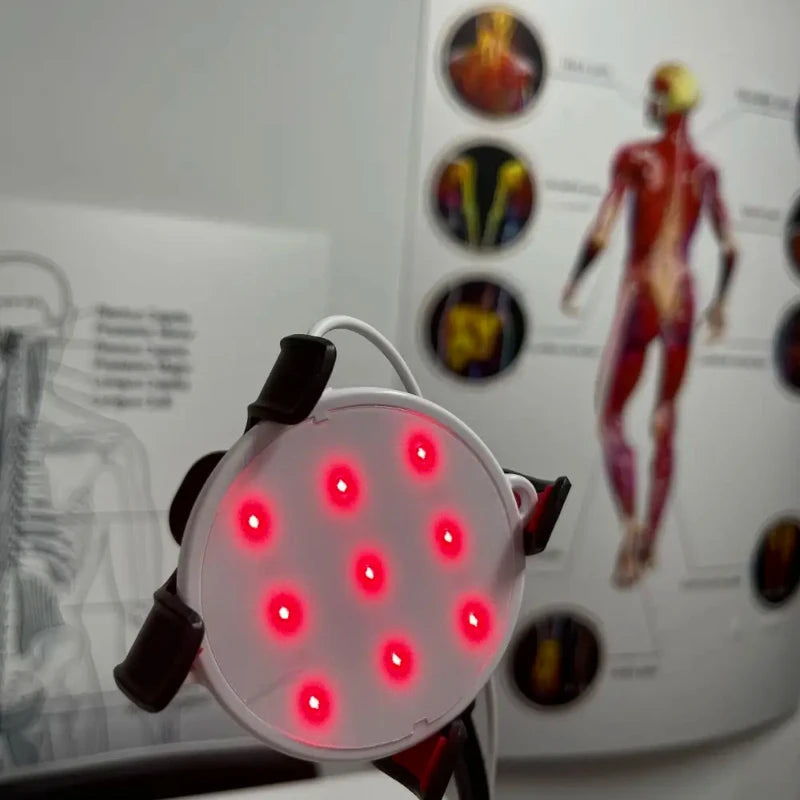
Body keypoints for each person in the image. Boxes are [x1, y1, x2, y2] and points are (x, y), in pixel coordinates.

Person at [560, 63, 738, 588]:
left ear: (664, 104)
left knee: (611, 416)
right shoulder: (704, 171)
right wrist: (720, 304)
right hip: (682, 294)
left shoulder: (636, 158)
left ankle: (632, 527)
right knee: (665, 417)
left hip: (642, 292)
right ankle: (651, 543)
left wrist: (575, 280)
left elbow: (603, 229)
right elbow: (730, 247)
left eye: (653, 96)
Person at [0, 253, 163, 769]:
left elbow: (142, 610)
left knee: (65, 652)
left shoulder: (105, 450)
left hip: (57, 684)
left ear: (62, 334)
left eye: (26, 343)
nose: (14, 363)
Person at [448, 10, 537, 117]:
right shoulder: (455, 67)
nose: (494, 38)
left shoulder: (522, 75)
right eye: (490, 25)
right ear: (479, 26)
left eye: (503, 27)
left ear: (510, 31)